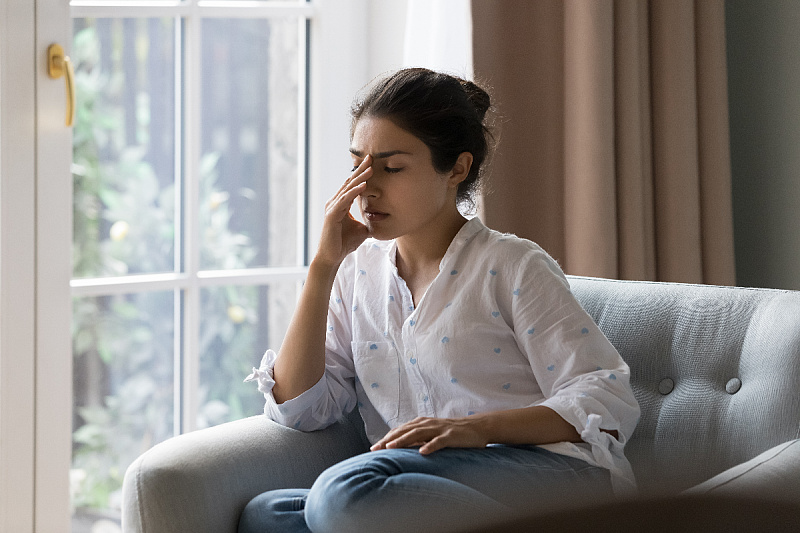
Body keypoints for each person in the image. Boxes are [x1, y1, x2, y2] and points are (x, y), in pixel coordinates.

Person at [241, 68, 640, 533]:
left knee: (342, 494)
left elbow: (606, 399)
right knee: (267, 515)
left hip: (548, 474)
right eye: (358, 166)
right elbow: (300, 408)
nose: (366, 188)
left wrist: (478, 430)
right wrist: (323, 267)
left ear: (457, 168)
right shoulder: (356, 273)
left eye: (391, 168)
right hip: (423, 479)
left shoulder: (511, 265)